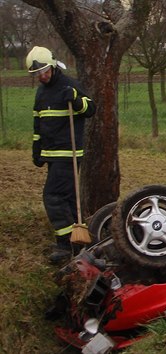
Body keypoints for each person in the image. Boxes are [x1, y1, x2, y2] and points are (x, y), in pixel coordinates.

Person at [26, 46, 96, 264]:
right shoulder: (41, 92)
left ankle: (65, 244)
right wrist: (36, 149)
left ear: (53, 66)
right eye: (37, 74)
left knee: (53, 197)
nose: (42, 76)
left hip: (69, 153)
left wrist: (76, 99)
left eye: (44, 71)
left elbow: (90, 109)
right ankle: (79, 242)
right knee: (66, 198)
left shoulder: (69, 86)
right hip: (51, 154)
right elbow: (38, 121)